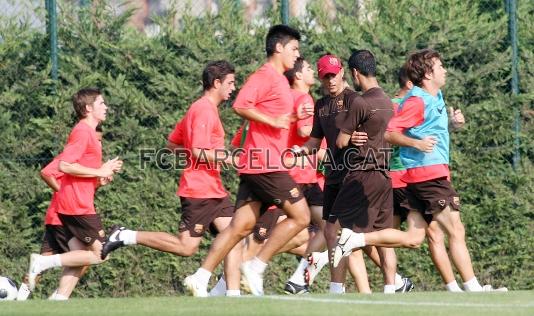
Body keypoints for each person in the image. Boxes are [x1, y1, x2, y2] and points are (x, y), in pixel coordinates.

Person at [332, 49, 507, 292]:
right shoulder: (416, 101)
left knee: (415, 239)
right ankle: (473, 287)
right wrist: (416, 144)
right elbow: (389, 133)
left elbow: (429, 129)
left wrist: (452, 125)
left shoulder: (435, 96)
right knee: (455, 229)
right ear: (426, 74)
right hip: (428, 175)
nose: (445, 70)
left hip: (422, 176)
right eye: (440, 66)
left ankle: (355, 239)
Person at [183, 24, 308, 297]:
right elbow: (241, 105)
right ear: (278, 48)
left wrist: (291, 119)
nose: (297, 56)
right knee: (302, 216)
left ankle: (200, 276)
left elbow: (274, 119)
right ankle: (256, 265)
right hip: (265, 165)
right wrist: (273, 120)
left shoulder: (281, 82)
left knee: (239, 227)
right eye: (294, 49)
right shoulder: (265, 75)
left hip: (261, 164)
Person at [100, 60, 243, 297]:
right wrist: (228, 158)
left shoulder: (200, 109)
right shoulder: (203, 109)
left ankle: (232, 296)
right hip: (199, 191)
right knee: (186, 247)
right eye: (230, 82)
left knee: (234, 237)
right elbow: (197, 150)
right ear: (216, 83)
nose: (233, 88)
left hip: (214, 189)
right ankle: (124, 235)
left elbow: (172, 144)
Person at [26, 88, 123, 296]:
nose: (106, 107)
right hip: (76, 205)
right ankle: (43, 262)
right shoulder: (83, 131)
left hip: (76, 201)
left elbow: (77, 172)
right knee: (100, 254)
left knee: (81, 255)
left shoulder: (88, 132)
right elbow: (65, 166)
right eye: (101, 103)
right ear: (88, 108)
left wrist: (100, 177)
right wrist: (99, 170)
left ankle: (59, 299)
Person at [292, 53, 371, 294]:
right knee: (331, 232)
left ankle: (340, 285)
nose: (330, 81)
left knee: (343, 232)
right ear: (320, 77)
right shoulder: (321, 105)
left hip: (354, 173)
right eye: (326, 77)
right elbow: (315, 142)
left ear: (342, 73)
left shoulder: (355, 101)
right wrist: (298, 152)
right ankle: (340, 288)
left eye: (334, 75)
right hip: (333, 175)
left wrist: (359, 137)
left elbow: (374, 133)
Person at [333, 49, 397, 294]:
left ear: (355, 73)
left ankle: (360, 293)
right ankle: (391, 288)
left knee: (348, 235)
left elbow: (340, 142)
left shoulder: (361, 102)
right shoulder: (387, 101)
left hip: (362, 175)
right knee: (383, 236)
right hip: (383, 175)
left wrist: (350, 138)